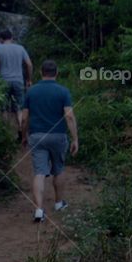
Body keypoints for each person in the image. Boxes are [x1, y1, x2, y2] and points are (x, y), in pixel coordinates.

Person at [22, 60, 79, 222]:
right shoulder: (63, 91)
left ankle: (39, 210)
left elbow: (25, 117)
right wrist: (75, 138)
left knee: (39, 172)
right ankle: (59, 203)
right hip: (58, 135)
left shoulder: (31, 92)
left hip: (37, 135)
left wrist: (23, 136)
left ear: (41, 72)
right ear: (57, 73)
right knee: (58, 169)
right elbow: (69, 116)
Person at [0, 30, 33, 140]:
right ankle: (21, 130)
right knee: (19, 107)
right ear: (12, 38)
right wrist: (29, 79)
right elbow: (29, 64)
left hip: (3, 81)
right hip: (18, 80)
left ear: (1, 39)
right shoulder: (20, 48)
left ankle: (5, 133)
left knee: (4, 108)